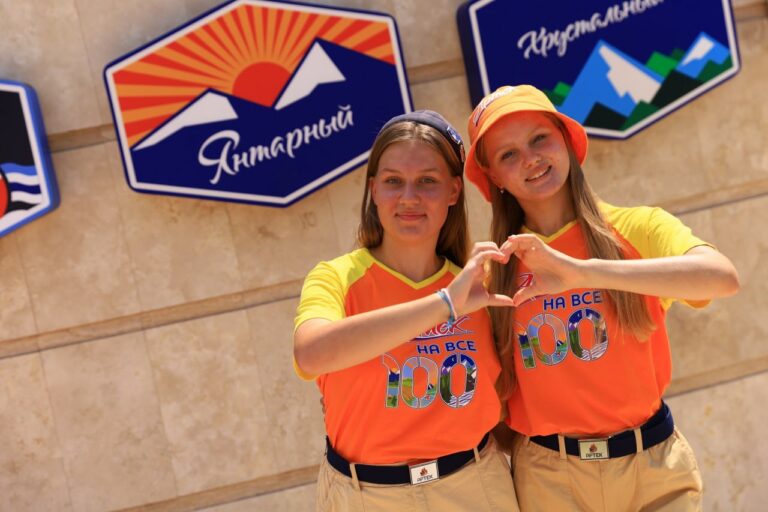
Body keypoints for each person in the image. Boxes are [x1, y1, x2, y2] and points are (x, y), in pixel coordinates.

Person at [463, 85, 740, 512]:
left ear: (567, 140)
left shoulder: (637, 228)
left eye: (540, 138)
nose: (531, 159)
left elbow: (721, 278)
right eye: (508, 154)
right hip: (552, 480)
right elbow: (491, 397)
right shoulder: (492, 271)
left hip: (654, 469)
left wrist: (581, 272)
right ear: (494, 177)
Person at [293, 110, 520, 511]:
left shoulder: (480, 288)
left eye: (427, 181)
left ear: (453, 191)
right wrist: (444, 305)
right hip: (366, 496)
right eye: (393, 181)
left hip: (475, 489)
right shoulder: (337, 278)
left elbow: (506, 406)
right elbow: (311, 354)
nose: (409, 197)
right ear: (374, 190)